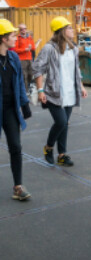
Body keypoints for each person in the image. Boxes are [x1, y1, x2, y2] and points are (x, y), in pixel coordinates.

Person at [33, 16, 88, 167]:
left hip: (70, 91)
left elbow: (75, 69)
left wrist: (81, 86)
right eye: (69, 27)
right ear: (62, 31)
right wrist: (40, 90)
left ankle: (62, 155)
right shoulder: (49, 48)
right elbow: (37, 69)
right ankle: (48, 147)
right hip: (54, 92)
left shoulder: (73, 48)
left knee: (65, 124)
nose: (72, 29)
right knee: (61, 122)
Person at [0, 19, 31, 201]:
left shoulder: (13, 58)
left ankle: (18, 187)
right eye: (12, 35)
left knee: (16, 147)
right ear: (3, 38)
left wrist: (24, 103)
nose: (16, 38)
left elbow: (19, 82)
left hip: (10, 110)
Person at [11, 23, 35, 93]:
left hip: (29, 58)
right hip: (22, 59)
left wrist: (31, 47)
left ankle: (28, 87)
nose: (23, 30)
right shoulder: (18, 38)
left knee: (30, 74)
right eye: (21, 29)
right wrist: (25, 49)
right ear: (19, 30)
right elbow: (15, 49)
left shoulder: (29, 37)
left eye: (25, 28)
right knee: (24, 75)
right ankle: (25, 91)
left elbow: (33, 48)